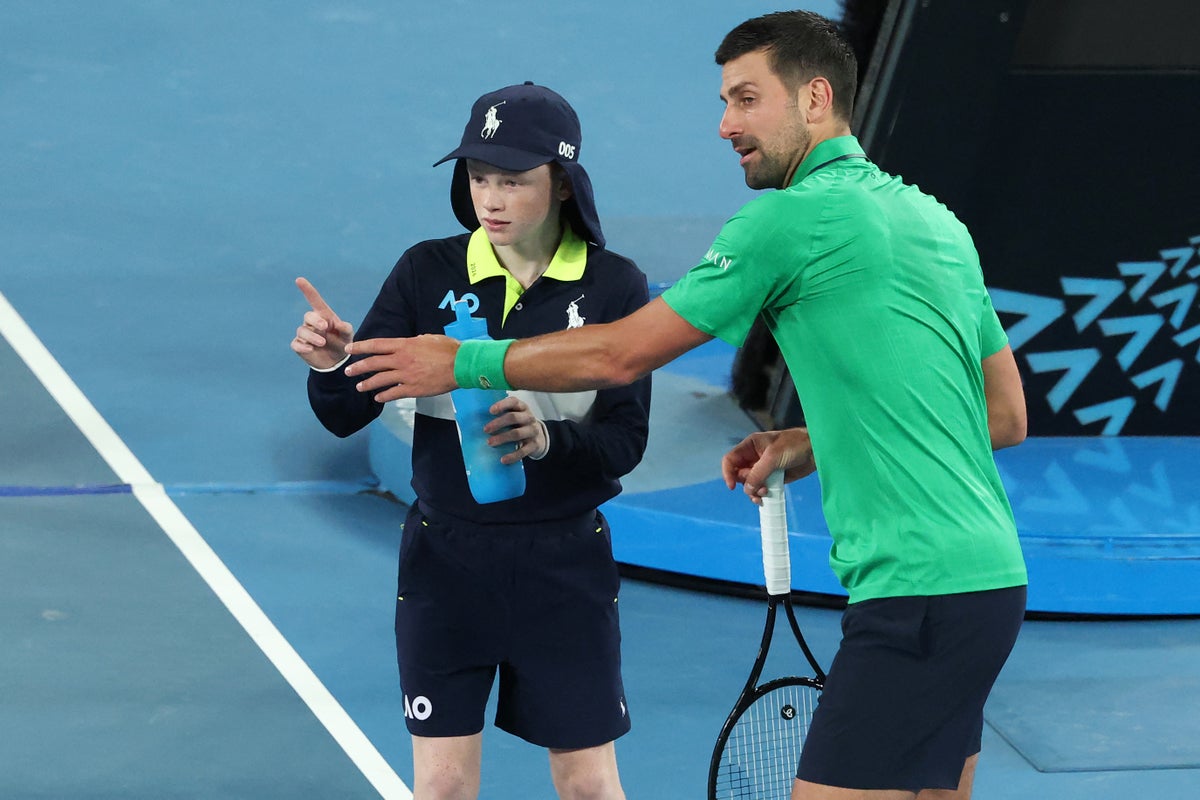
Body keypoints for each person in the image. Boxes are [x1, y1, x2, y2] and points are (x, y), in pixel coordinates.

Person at [341, 10, 1029, 800]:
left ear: (813, 98)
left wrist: (463, 358)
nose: (723, 124)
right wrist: (812, 441)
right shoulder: (936, 221)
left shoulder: (788, 219)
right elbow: (1003, 418)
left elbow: (619, 352)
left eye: (744, 99)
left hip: (915, 592)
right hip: (989, 581)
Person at [291, 82, 650, 800]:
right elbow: (343, 412)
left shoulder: (614, 289)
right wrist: (334, 362)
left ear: (564, 184)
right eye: (479, 178)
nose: (491, 198)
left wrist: (548, 442)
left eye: (513, 181)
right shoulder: (428, 272)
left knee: (587, 785)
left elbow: (623, 443)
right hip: (445, 564)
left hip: (564, 568)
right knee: (445, 787)